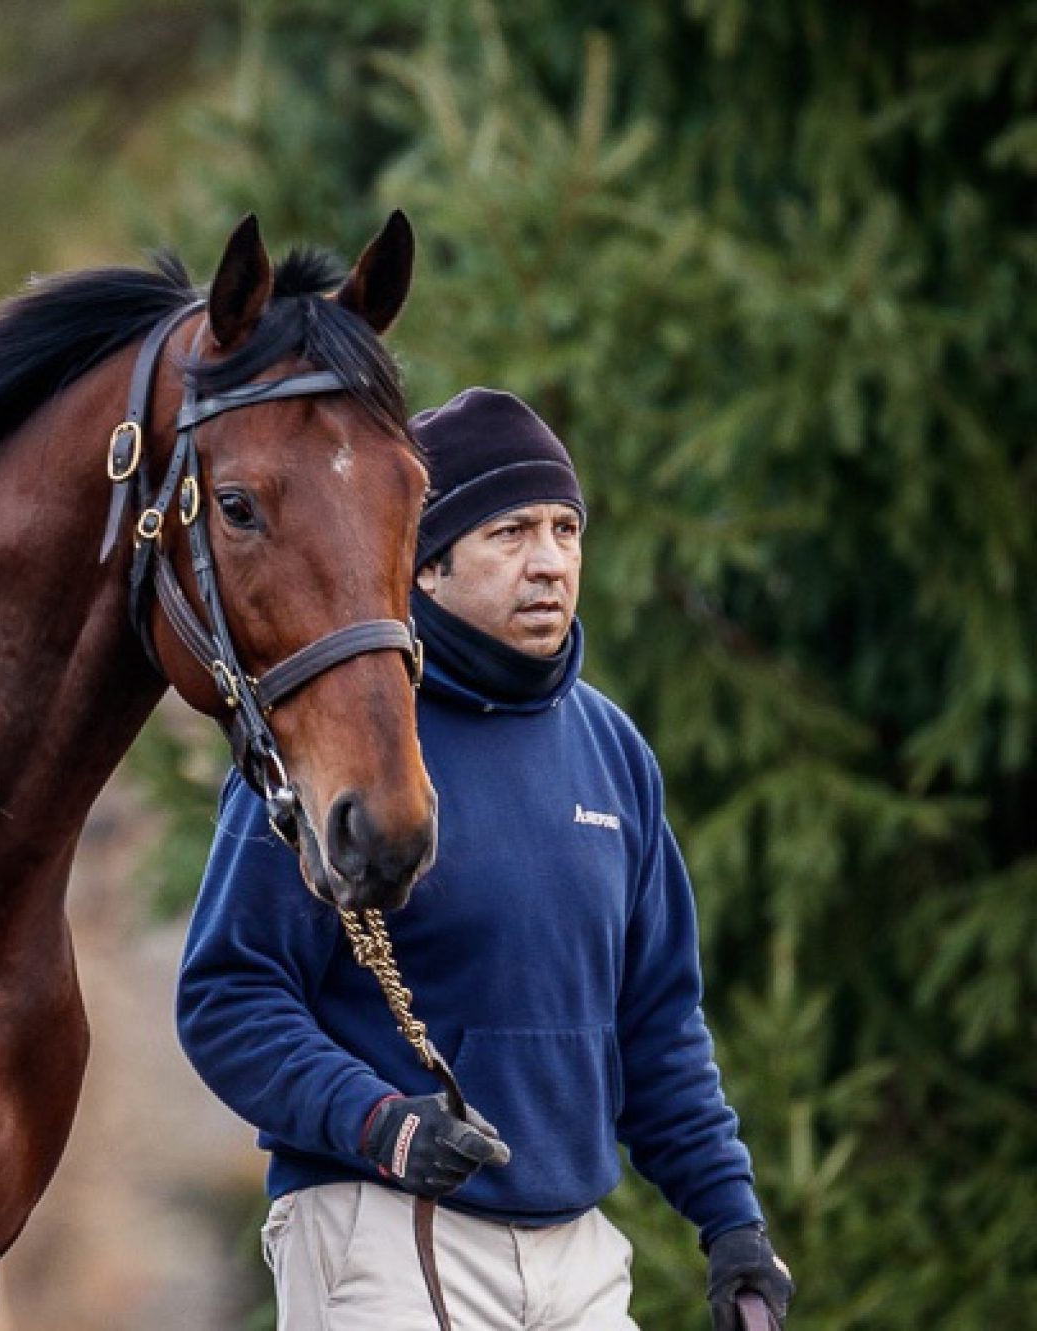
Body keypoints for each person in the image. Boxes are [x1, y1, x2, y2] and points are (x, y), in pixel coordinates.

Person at [175, 388, 794, 1330]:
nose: (549, 562)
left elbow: (659, 1021)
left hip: (580, 1252)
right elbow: (228, 993)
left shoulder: (614, 752)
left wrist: (732, 1222)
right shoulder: (341, 742)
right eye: (510, 532)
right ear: (425, 567)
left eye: (565, 529)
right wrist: (373, 1121)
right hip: (382, 1227)